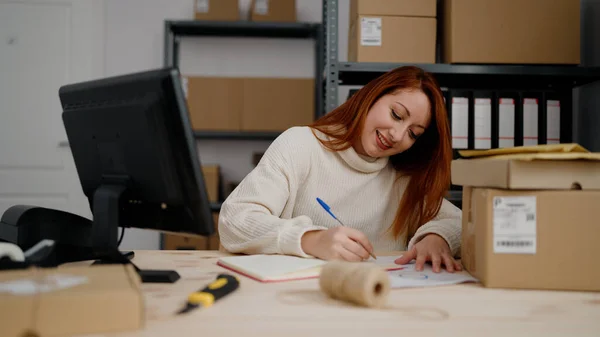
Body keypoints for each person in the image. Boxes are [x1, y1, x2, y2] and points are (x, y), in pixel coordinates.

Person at [218, 66, 462, 273]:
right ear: (372, 96)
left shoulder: (403, 181)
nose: (397, 135)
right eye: (396, 115)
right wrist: (310, 239)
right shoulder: (300, 145)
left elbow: (466, 223)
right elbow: (234, 220)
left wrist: (437, 238)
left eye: (413, 134)